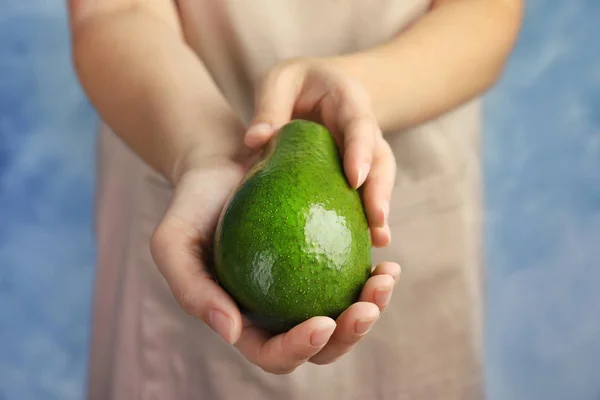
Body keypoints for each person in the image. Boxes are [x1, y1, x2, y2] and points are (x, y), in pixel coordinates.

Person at [68, 0, 523, 398]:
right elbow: (116, 10)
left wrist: (355, 90)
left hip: (410, 180)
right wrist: (203, 151)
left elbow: (485, 9)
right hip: (181, 144)